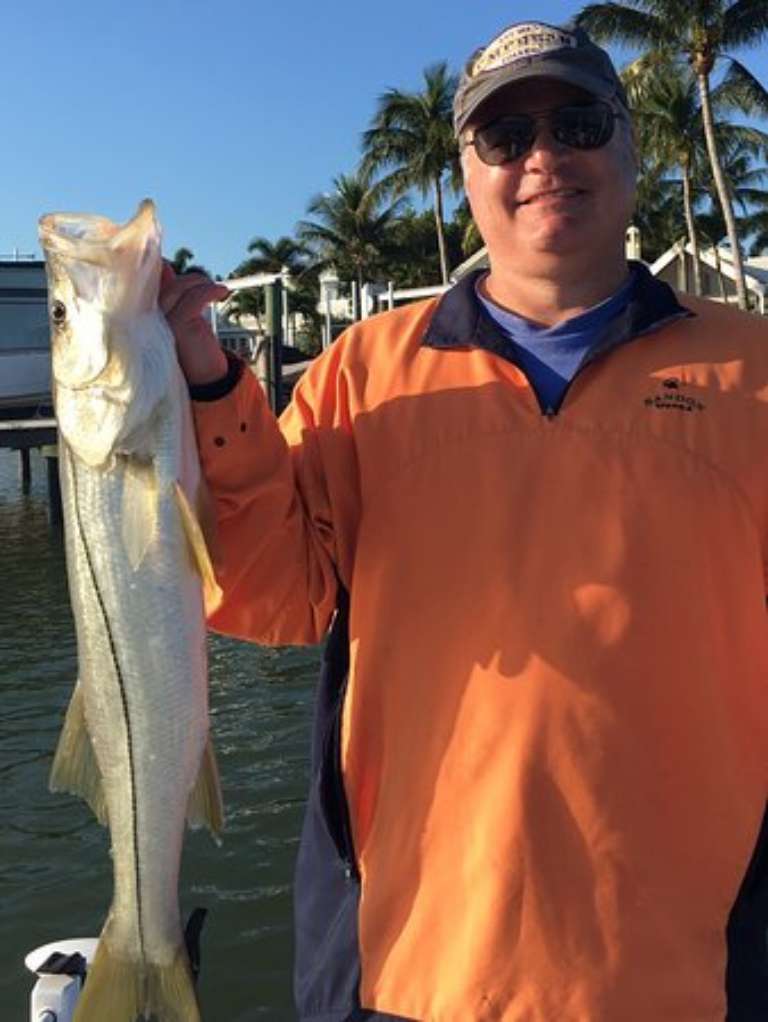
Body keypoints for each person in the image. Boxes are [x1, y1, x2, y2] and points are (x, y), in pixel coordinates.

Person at [161, 19, 768, 1022]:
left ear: (630, 145)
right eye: (505, 137)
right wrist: (207, 384)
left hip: (690, 966)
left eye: (577, 123)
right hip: (411, 959)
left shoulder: (753, 368)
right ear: (466, 170)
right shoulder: (365, 368)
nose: (544, 159)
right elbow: (269, 595)